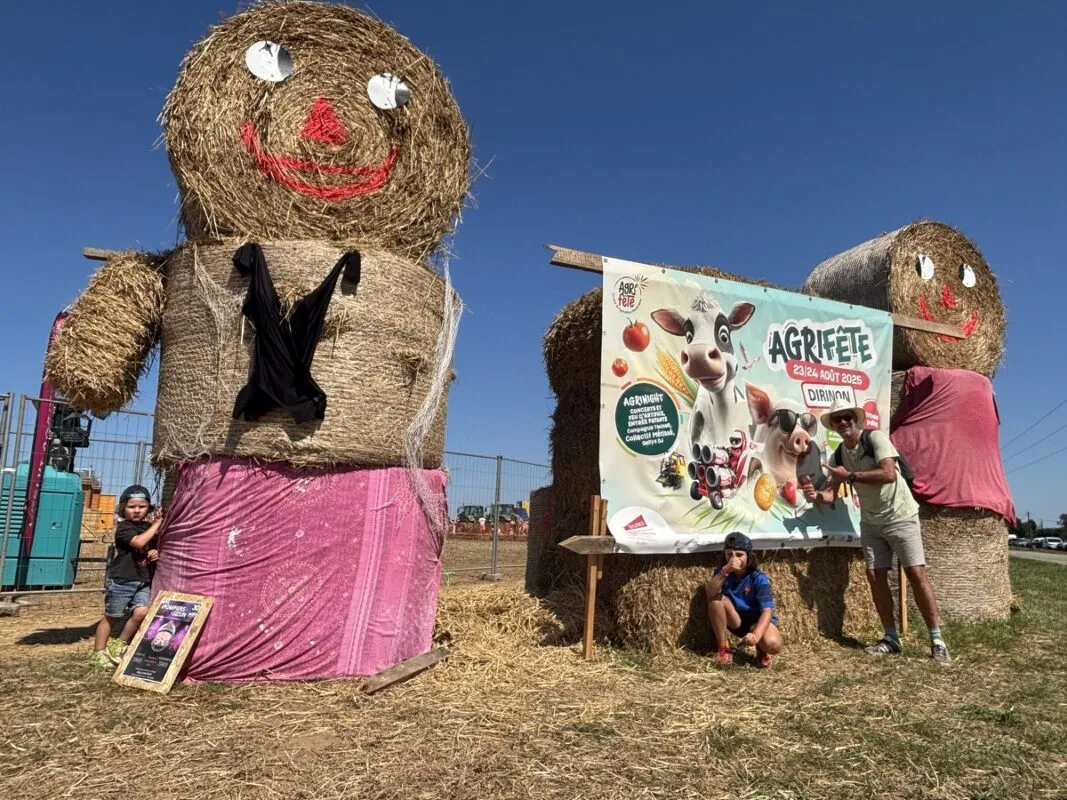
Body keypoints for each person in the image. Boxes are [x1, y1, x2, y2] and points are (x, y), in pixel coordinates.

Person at [802, 398, 950, 664]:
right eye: (837, 419)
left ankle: (937, 639)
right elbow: (830, 494)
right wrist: (815, 496)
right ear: (833, 426)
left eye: (847, 417)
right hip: (871, 522)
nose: (843, 422)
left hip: (900, 515)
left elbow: (888, 474)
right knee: (874, 575)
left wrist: (850, 476)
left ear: (855, 419)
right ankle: (891, 638)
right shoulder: (839, 456)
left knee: (915, 573)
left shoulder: (875, 438)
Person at [89, 485, 162, 668]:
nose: (137, 510)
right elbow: (139, 542)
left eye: (142, 506)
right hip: (123, 579)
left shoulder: (146, 527)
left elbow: (147, 546)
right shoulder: (124, 528)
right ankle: (98, 652)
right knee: (112, 616)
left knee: (141, 612)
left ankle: (119, 643)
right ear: (123, 508)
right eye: (131, 507)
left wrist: (153, 551)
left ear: (148, 508)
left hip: (143, 579)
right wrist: (158, 523)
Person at [705, 532, 782, 667]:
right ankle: (723, 648)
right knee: (715, 600)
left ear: (748, 557)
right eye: (729, 554)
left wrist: (756, 635)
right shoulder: (722, 572)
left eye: (739, 555)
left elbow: (767, 612)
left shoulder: (759, 578)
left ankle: (761, 648)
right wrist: (725, 570)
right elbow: (710, 593)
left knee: (773, 644)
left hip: (756, 622)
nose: (734, 559)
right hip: (736, 620)